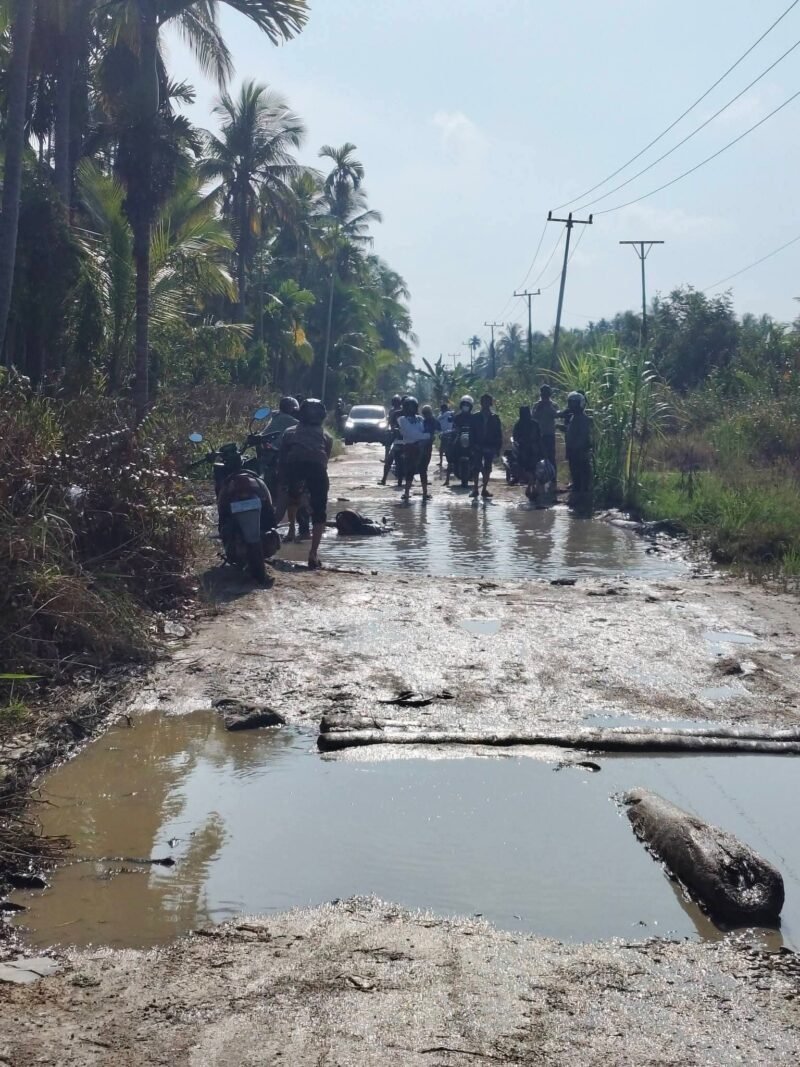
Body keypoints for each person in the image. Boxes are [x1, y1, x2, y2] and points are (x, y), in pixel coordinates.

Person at [279, 398, 333, 569]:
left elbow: (283, 458)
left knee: (291, 498)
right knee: (320, 512)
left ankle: (291, 530)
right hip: (317, 471)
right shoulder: (326, 436)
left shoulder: (289, 432)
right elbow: (325, 460)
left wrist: (283, 479)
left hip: (294, 468)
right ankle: (313, 553)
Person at [397, 396, 432, 503]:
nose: (411, 408)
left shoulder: (420, 418)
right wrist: (426, 436)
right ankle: (406, 492)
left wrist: (425, 436)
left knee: (423, 470)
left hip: (423, 447)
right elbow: (411, 433)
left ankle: (425, 493)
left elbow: (425, 430)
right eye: (409, 406)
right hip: (410, 447)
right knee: (410, 471)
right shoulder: (402, 419)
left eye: (413, 406)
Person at [469, 394, 503, 500]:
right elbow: (471, 432)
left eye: (488, 401)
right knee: (476, 467)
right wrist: (472, 445)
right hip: (477, 445)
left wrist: (497, 448)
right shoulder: (475, 417)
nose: (486, 404)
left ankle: (484, 489)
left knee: (488, 468)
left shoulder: (495, 418)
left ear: (490, 403)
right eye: (484, 401)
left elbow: (499, 434)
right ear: (481, 403)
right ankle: (475, 488)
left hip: (490, 446)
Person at [564, 391, 593, 495]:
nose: (571, 406)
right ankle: (576, 495)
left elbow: (583, 436)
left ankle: (582, 497)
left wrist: (577, 449)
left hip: (580, 452)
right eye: (570, 403)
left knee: (582, 474)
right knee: (575, 474)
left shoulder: (583, 418)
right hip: (573, 451)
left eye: (574, 403)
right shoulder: (574, 417)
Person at [512, 405, 541, 497]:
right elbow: (540, 437)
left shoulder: (519, 424)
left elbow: (516, 437)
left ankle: (530, 487)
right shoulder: (535, 423)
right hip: (534, 449)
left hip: (524, 450)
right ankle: (532, 487)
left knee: (526, 469)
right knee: (533, 469)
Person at [445, 395, 474, 488]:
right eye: (464, 404)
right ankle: (447, 478)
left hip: (470, 438)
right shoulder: (457, 416)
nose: (466, 406)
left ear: (471, 406)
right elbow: (454, 427)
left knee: (478, 449)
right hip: (459, 437)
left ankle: (479, 467)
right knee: (450, 447)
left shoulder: (474, 417)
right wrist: (453, 431)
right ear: (461, 405)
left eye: (467, 404)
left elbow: (477, 427)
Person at [533, 385, 559, 483]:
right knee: (539, 457)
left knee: (551, 457)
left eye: (547, 393)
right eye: (543, 393)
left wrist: (549, 406)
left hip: (549, 434)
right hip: (539, 435)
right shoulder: (537, 405)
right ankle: (540, 478)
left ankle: (553, 478)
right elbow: (533, 417)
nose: (545, 396)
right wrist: (539, 408)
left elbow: (556, 415)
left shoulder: (553, 405)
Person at [380, 394, 404, 485]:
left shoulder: (395, 412)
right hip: (400, 437)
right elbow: (391, 424)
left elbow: (391, 423)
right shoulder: (397, 412)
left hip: (401, 440)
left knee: (390, 460)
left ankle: (384, 479)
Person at [437, 401, 454, 469]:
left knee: (447, 449)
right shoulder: (440, 415)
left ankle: (449, 463)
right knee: (442, 449)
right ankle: (441, 462)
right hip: (443, 433)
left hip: (448, 433)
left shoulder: (449, 414)